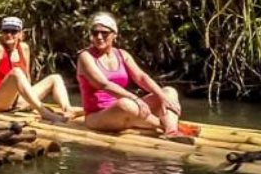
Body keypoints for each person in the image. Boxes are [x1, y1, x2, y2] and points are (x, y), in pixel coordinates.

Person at [76, 12, 195, 142]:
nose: (99, 37)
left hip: (127, 108)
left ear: (114, 34)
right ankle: (167, 125)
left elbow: (141, 77)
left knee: (169, 92)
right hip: (98, 116)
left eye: (104, 33)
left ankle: (171, 131)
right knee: (126, 104)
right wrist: (135, 99)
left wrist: (162, 97)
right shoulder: (85, 57)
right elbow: (104, 84)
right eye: (95, 33)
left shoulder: (122, 54)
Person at [0, 16, 72, 123]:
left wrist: (30, 100)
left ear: (21, 34)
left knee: (55, 78)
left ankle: (67, 108)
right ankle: (43, 112)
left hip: (18, 100)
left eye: (13, 31)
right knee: (16, 72)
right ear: (1, 33)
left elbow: (27, 76)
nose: (9, 35)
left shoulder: (24, 48)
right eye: (6, 31)